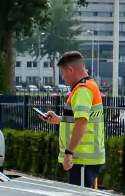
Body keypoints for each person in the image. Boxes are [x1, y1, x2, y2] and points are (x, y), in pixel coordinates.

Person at [42, 51, 105, 188]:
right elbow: (82, 120)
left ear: (70, 70)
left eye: (63, 73)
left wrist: (69, 153)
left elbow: (82, 122)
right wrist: (59, 120)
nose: (63, 78)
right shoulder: (89, 86)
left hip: (82, 159)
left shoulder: (82, 90)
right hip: (87, 158)